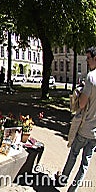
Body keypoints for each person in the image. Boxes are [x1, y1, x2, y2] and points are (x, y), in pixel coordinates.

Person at [58, 46, 96, 191]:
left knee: (73, 154)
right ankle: (72, 189)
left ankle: (63, 180)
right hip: (95, 133)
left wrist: (81, 91)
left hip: (85, 127)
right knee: (85, 163)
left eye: (88, 58)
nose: (87, 61)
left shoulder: (91, 77)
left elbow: (81, 104)